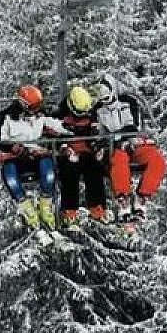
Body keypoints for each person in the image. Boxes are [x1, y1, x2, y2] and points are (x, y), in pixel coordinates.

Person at [0, 84, 68, 231]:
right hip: (15, 156)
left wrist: (73, 129)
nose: (36, 109)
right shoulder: (7, 117)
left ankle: (46, 204)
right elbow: (0, 139)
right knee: (11, 177)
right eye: (33, 106)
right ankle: (25, 205)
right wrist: (12, 147)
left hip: (36, 153)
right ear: (23, 104)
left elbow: (59, 126)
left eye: (38, 105)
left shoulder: (40, 115)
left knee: (49, 174)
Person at [91, 74, 167, 217]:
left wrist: (124, 136)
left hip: (133, 143)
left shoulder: (128, 103)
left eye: (107, 98)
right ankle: (122, 199)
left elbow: (134, 127)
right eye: (102, 99)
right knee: (118, 158)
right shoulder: (98, 111)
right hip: (114, 147)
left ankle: (142, 196)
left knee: (157, 159)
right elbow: (98, 135)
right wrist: (104, 144)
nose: (105, 102)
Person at [52, 85, 107, 230]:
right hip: (68, 152)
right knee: (68, 172)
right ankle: (70, 210)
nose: (82, 117)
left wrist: (95, 144)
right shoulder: (60, 117)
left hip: (86, 151)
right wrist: (65, 148)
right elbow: (54, 135)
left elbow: (95, 133)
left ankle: (97, 207)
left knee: (95, 169)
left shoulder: (90, 115)